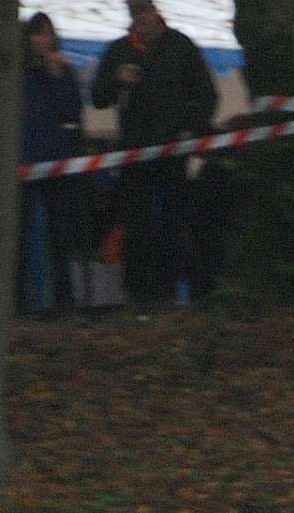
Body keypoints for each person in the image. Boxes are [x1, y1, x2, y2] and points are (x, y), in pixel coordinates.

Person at [89, 0, 218, 304]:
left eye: (143, 13)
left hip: (173, 152)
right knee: (136, 225)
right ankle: (138, 294)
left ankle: (171, 289)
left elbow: (207, 95)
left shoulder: (181, 47)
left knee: (174, 223)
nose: (139, 21)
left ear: (155, 13)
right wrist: (116, 80)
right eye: (134, 14)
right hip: (134, 153)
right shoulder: (120, 50)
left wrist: (189, 129)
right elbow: (98, 98)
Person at [19, 12, 88, 315]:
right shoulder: (18, 75)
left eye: (47, 34)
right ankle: (20, 300)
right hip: (23, 163)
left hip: (56, 162)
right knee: (20, 235)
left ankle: (65, 298)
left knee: (60, 232)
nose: (42, 40)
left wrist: (59, 76)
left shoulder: (63, 71)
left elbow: (72, 113)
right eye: (36, 34)